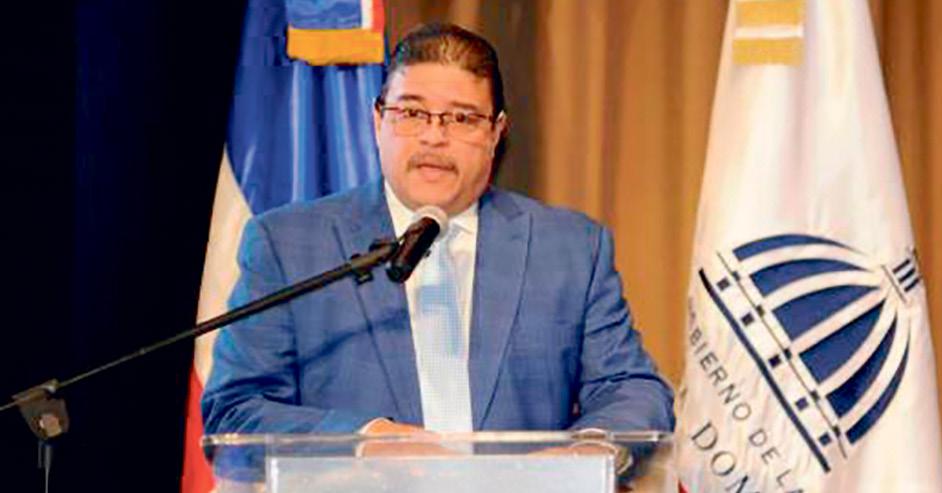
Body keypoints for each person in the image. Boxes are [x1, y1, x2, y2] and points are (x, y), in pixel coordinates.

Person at [201, 23, 674, 441]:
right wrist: (363, 439)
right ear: (378, 121)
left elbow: (632, 390)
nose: (433, 137)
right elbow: (236, 409)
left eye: (463, 118)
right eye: (411, 113)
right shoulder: (289, 245)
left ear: (496, 133)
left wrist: (587, 449)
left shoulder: (569, 249)